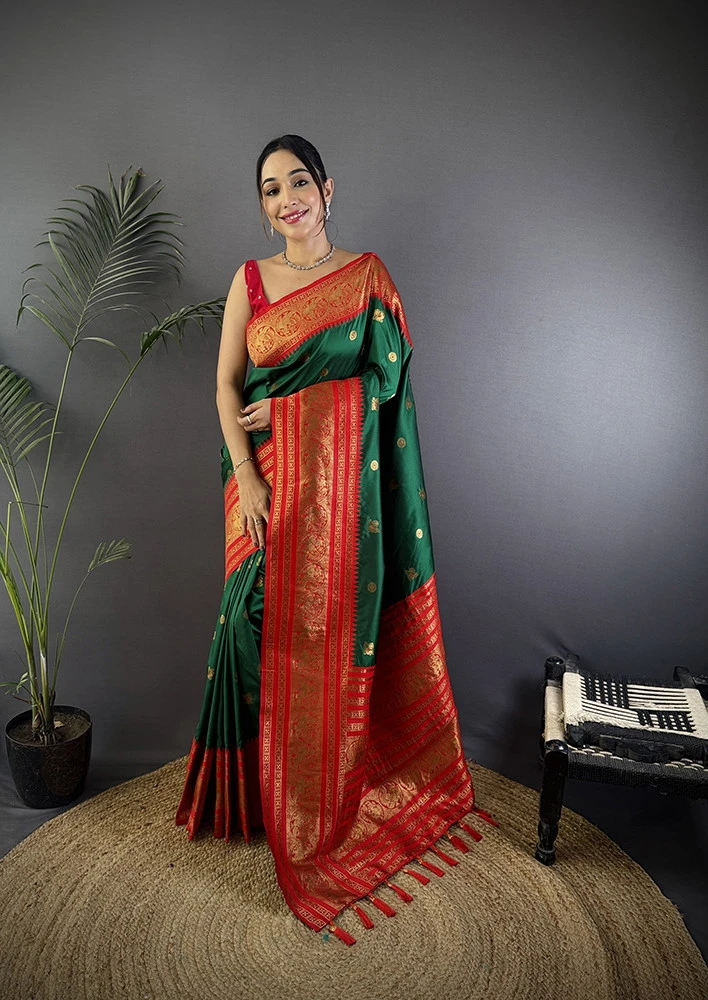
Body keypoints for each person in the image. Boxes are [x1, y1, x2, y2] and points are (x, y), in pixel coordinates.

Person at [175, 135, 491, 944]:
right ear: (263, 206)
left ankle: (317, 797)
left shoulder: (367, 279)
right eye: (270, 189)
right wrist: (247, 472)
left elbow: (385, 380)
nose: (286, 199)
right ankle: (251, 800)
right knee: (246, 626)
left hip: (344, 493)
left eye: (298, 183)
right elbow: (225, 384)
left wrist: (293, 410)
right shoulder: (250, 281)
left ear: (327, 189)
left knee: (324, 632)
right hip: (262, 482)